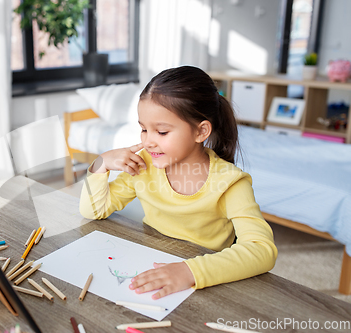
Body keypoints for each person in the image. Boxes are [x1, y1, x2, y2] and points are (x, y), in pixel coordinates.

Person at [79, 66, 278, 300]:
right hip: (153, 263)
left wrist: (190, 271)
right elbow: (93, 210)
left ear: (201, 131)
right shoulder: (144, 165)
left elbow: (262, 250)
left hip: (207, 282)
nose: (148, 141)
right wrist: (101, 164)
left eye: (161, 132)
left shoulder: (230, 182)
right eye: (143, 129)